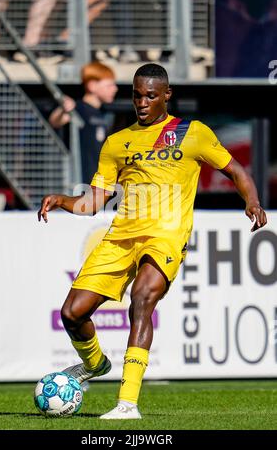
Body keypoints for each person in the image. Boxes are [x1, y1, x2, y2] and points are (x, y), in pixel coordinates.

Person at [38, 63, 267, 419]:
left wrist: (251, 200)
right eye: (136, 95)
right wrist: (62, 200)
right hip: (120, 238)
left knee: (142, 299)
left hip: (166, 235)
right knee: (72, 313)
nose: (142, 102)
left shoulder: (192, 132)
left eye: (150, 95)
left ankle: (127, 403)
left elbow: (235, 170)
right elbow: (94, 201)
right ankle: (95, 364)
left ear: (166, 95)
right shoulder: (117, 142)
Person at [49, 61, 118, 184]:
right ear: (92, 85)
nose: (115, 89)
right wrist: (63, 109)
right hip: (80, 181)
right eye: (109, 85)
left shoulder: (101, 113)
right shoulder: (78, 108)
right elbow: (55, 121)